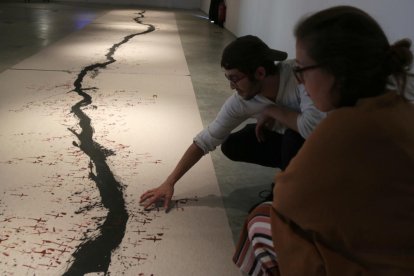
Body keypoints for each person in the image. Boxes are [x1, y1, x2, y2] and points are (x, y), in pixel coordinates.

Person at [234, 5, 414, 275]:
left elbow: (287, 200)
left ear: (335, 71)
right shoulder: (398, 108)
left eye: (303, 69)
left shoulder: (344, 128)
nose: (301, 81)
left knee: (261, 219)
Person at [140, 35, 325, 210]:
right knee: (233, 145)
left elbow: (314, 128)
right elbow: (206, 139)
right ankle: (292, 173)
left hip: (327, 146)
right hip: (288, 139)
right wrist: (169, 182)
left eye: (235, 79)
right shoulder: (242, 100)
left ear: (260, 72)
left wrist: (272, 111)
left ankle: (292, 194)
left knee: (294, 137)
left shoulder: (300, 76)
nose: (231, 86)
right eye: (228, 79)